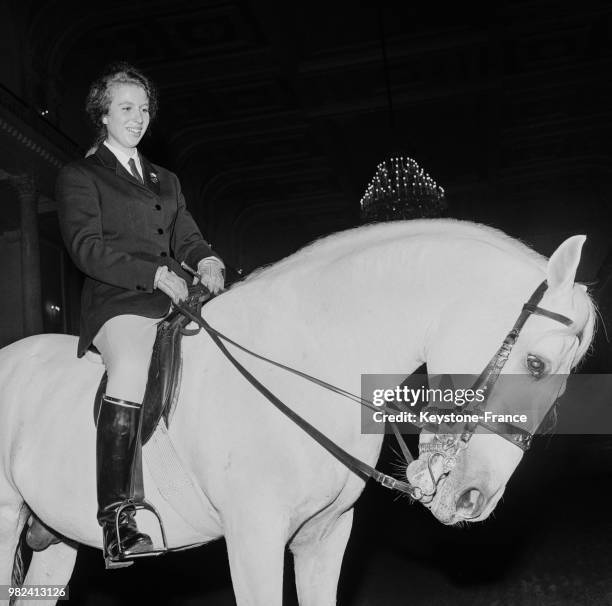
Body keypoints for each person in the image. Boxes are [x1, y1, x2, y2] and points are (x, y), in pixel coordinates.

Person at [56, 62, 225, 564]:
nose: (138, 118)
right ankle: (116, 517)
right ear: (103, 116)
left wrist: (208, 259)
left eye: (144, 108)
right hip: (118, 302)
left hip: (176, 297)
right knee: (130, 368)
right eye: (126, 108)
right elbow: (85, 248)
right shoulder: (80, 175)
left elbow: (187, 237)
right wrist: (151, 274)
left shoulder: (166, 179)